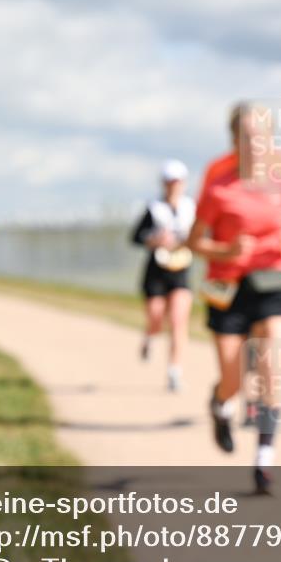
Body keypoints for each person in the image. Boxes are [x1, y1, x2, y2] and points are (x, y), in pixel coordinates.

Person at [187, 102, 281, 494]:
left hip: (273, 281)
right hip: (227, 287)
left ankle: (263, 462)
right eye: (246, 136)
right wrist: (225, 252)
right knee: (233, 377)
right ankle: (219, 404)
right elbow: (194, 241)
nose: (255, 144)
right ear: (234, 140)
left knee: (270, 371)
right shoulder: (218, 184)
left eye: (261, 136)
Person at [130, 159, 196, 392]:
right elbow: (135, 237)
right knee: (156, 319)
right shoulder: (153, 208)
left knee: (178, 321)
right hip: (156, 270)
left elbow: (201, 234)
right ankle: (149, 337)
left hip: (181, 270)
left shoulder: (191, 207)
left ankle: (174, 372)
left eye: (177, 182)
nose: (173, 186)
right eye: (169, 182)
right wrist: (155, 239)